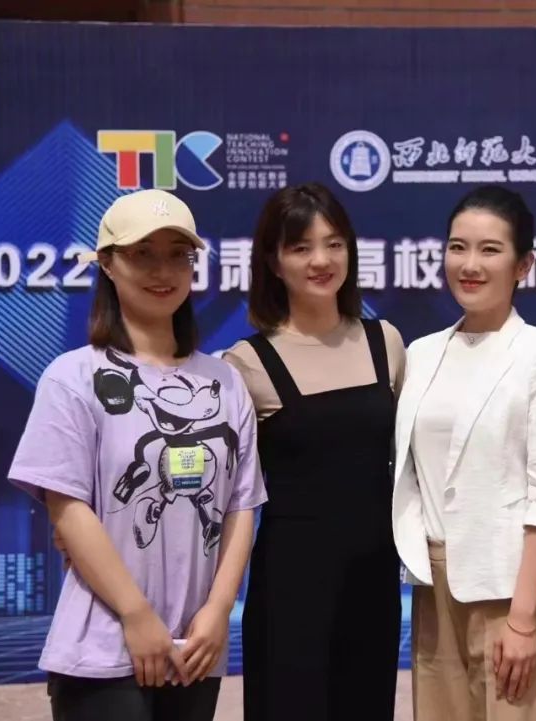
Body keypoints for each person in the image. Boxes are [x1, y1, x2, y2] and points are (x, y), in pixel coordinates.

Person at [9, 189, 266, 721]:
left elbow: (240, 506)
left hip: (195, 647)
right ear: (107, 263)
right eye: (142, 253)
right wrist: (135, 614)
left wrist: (219, 611)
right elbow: (68, 508)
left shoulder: (225, 381)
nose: (162, 270)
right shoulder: (73, 377)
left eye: (178, 254)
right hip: (103, 646)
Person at [392, 185, 536, 721]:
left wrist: (522, 619)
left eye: (490, 250)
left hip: (513, 591)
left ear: (524, 266)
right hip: (435, 589)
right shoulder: (421, 353)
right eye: (458, 247)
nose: (469, 265)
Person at [222, 182, 404, 721]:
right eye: (301, 247)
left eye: (334, 244)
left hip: (374, 580)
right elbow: (227, 493)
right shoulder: (245, 363)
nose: (321, 260)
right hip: (291, 586)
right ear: (273, 262)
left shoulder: (386, 343)